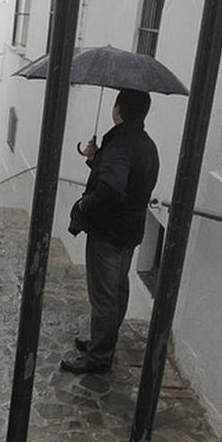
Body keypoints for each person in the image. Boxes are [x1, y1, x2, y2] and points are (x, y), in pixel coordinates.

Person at [62, 89, 159, 376]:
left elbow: (113, 188)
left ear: (118, 109)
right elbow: (131, 180)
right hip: (130, 229)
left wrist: (85, 205)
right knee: (118, 288)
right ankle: (104, 342)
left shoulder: (119, 143)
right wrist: (95, 159)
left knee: (104, 294)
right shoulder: (146, 144)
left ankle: (99, 356)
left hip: (109, 230)